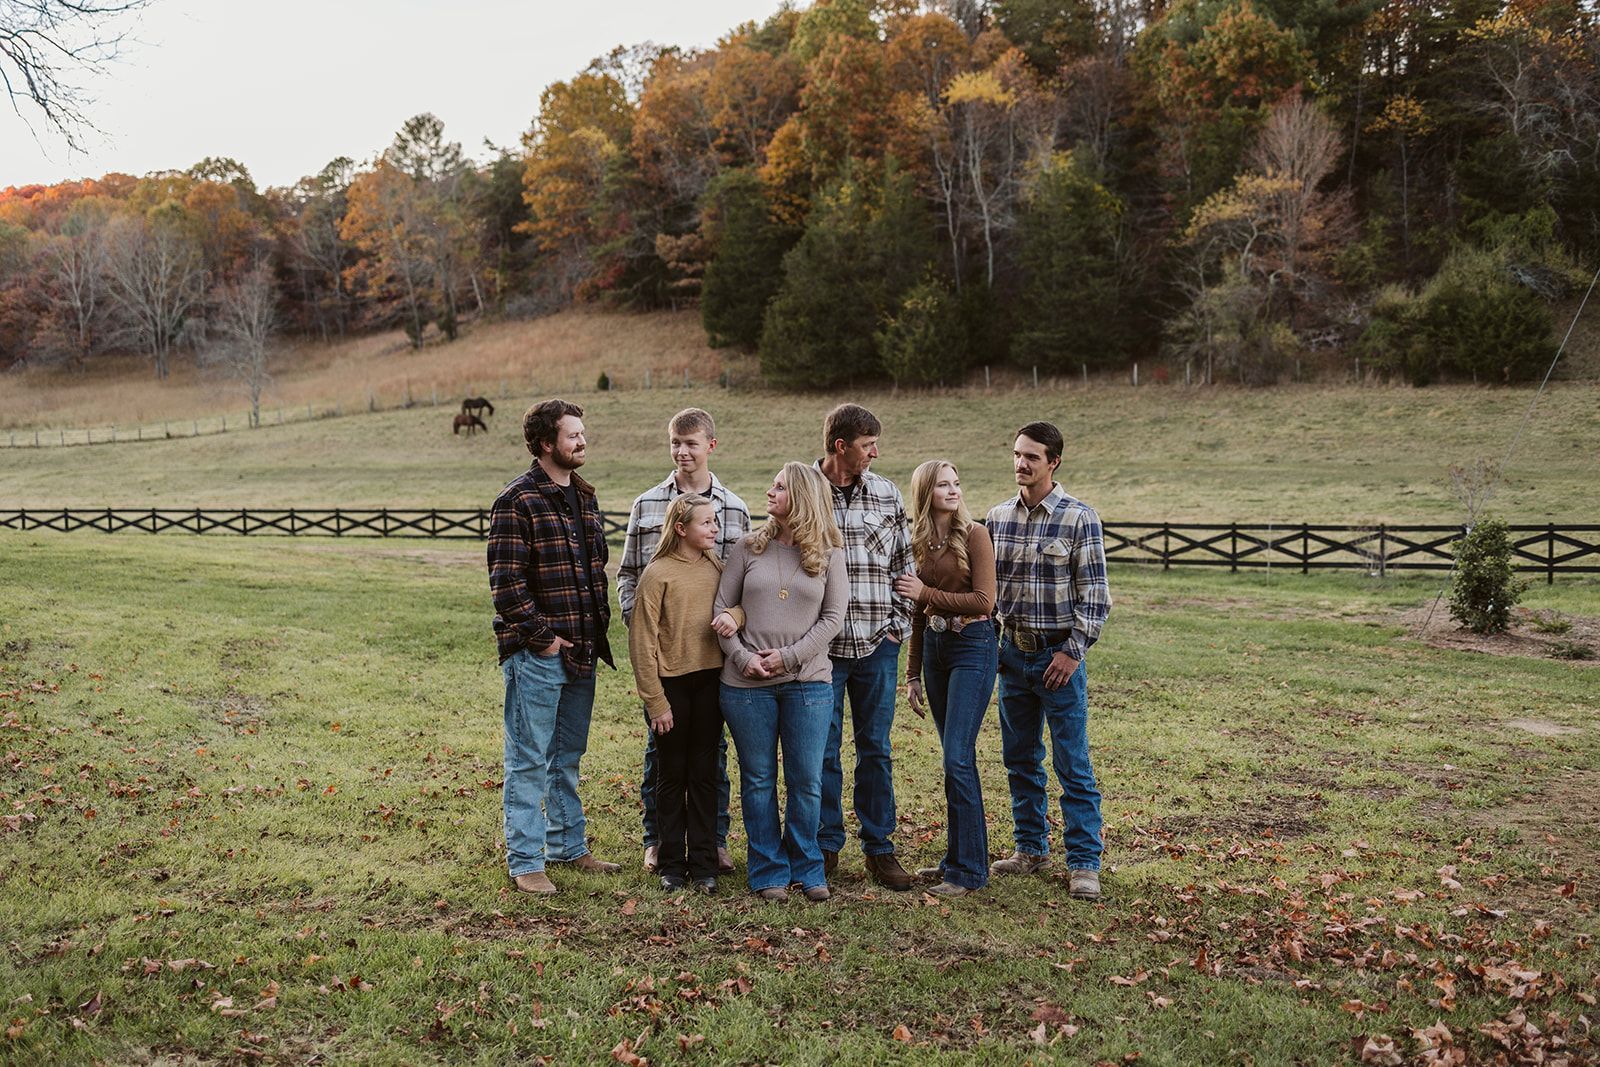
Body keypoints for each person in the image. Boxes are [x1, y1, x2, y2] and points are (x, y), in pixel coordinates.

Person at [488, 398, 621, 896]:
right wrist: (543, 639)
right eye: (572, 435)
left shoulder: (584, 496)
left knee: (566, 757)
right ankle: (526, 861)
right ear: (547, 443)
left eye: (583, 433)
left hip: (583, 653)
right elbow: (506, 586)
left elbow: (595, 572)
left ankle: (568, 845)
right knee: (527, 760)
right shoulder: (517, 501)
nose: (582, 441)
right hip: (538, 656)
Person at [617, 408, 751, 877]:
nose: (682, 451)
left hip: (714, 666)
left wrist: (732, 621)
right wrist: (651, 634)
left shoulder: (733, 507)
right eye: (676, 442)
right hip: (666, 665)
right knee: (664, 758)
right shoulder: (647, 504)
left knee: (711, 758)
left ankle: (711, 844)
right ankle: (660, 843)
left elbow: (740, 585)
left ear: (710, 445)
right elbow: (630, 576)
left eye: (691, 443)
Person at [985, 421, 1112, 901]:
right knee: (1019, 758)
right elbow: (988, 593)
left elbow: (1096, 596)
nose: (1021, 463)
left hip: (1059, 657)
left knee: (1072, 762)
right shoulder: (997, 518)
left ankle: (1083, 862)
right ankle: (1030, 848)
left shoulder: (1080, 519)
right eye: (1017, 454)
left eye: (1032, 457)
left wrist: (1072, 652)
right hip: (1012, 656)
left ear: (1053, 461)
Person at [715, 462, 847, 903]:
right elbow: (720, 610)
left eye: (779, 487)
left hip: (808, 683)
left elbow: (832, 619)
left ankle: (808, 867)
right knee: (757, 779)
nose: (769, 492)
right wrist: (744, 658)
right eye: (771, 484)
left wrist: (789, 657)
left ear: (803, 497)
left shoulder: (830, 552)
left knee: (807, 780)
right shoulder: (747, 547)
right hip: (745, 684)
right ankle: (767, 868)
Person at [814, 404, 916, 891]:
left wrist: (898, 626)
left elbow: (904, 564)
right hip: (820, 651)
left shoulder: (887, 493)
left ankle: (880, 849)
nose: (875, 452)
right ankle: (825, 846)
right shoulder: (802, 491)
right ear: (841, 446)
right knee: (822, 751)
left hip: (878, 643)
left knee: (875, 749)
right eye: (867, 444)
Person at [627, 494, 743, 894]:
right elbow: (642, 643)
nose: (715, 528)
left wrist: (734, 616)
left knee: (706, 774)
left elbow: (741, 606)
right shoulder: (657, 574)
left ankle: (705, 865)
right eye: (706, 523)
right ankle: (672, 865)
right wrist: (655, 700)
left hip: (712, 682)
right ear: (681, 529)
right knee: (671, 774)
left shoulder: (716, 567)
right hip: (671, 687)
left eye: (715, 521)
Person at [895, 460, 997, 898]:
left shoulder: (974, 534)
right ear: (925, 492)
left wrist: (926, 594)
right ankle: (954, 860)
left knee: (958, 756)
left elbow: (985, 600)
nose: (953, 490)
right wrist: (913, 672)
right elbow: (918, 615)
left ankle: (969, 871)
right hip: (935, 652)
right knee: (952, 760)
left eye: (957, 482)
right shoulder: (917, 540)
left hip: (973, 645)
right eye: (943, 484)